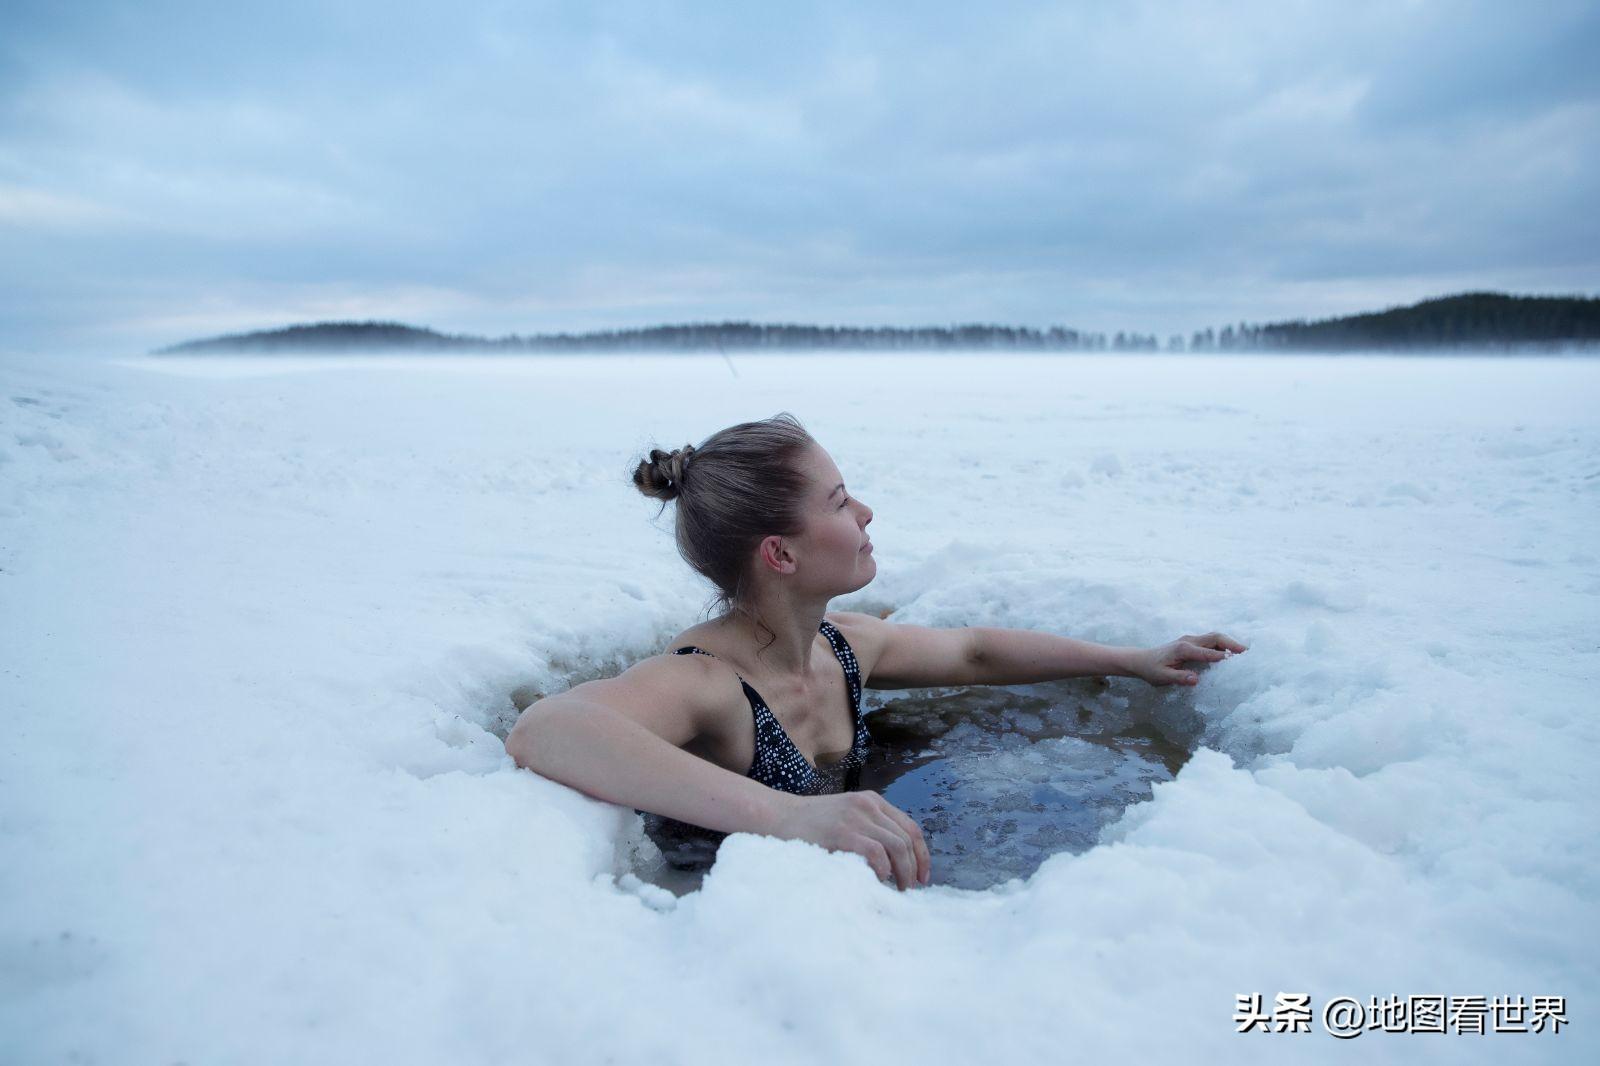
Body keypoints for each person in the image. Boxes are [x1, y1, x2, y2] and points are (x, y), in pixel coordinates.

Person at [503, 412, 1247, 891]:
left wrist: (1132, 659)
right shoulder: (706, 683)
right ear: (781, 555)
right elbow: (547, 729)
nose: (865, 513)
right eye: (838, 502)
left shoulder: (843, 644)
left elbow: (975, 655)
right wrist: (790, 819)